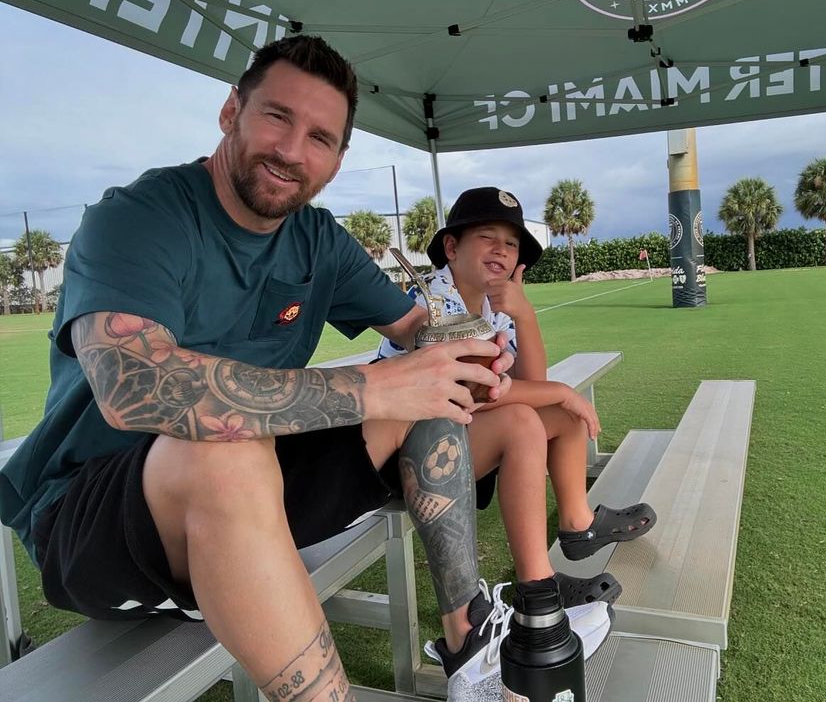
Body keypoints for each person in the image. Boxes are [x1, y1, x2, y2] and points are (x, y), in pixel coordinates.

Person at [0, 37, 609, 702]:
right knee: (225, 455)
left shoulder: (319, 241)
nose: (293, 152)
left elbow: (418, 335)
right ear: (231, 110)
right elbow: (133, 388)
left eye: (320, 136)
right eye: (277, 117)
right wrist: (377, 385)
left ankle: (468, 642)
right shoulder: (140, 218)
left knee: (425, 396)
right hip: (94, 516)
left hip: (259, 483)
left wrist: (473, 342)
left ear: (339, 158)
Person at [377, 187, 657, 604]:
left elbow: (529, 379)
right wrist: (561, 391)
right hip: (409, 453)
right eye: (488, 237)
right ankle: (536, 586)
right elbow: (481, 392)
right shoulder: (435, 302)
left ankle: (579, 525)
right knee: (525, 419)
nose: (502, 250)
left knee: (565, 417)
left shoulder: (488, 303)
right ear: (451, 247)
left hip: (452, 431)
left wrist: (523, 312)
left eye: (511, 243)